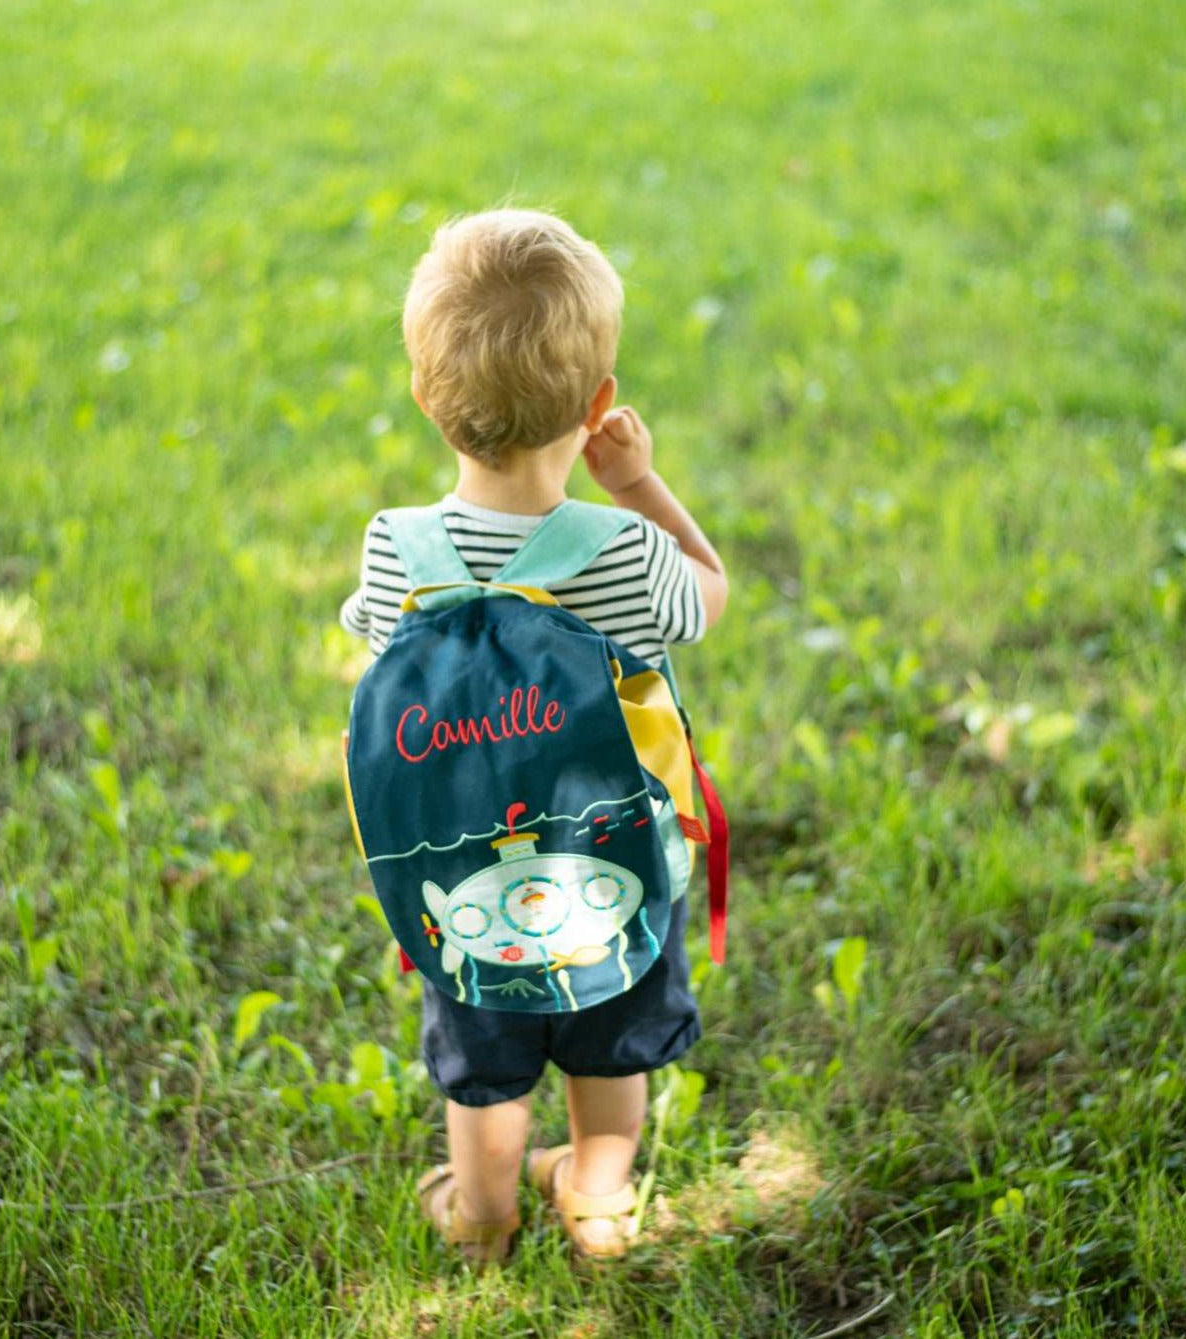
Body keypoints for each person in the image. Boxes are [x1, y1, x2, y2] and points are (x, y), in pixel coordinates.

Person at [340, 208, 728, 1262]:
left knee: (485, 1068)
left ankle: (483, 1216)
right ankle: (596, 1200)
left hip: (464, 883)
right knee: (612, 1056)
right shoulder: (622, 551)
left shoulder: (393, 551)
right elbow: (711, 592)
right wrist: (637, 486)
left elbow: (378, 663)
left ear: (427, 398)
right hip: (616, 880)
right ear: (599, 403)